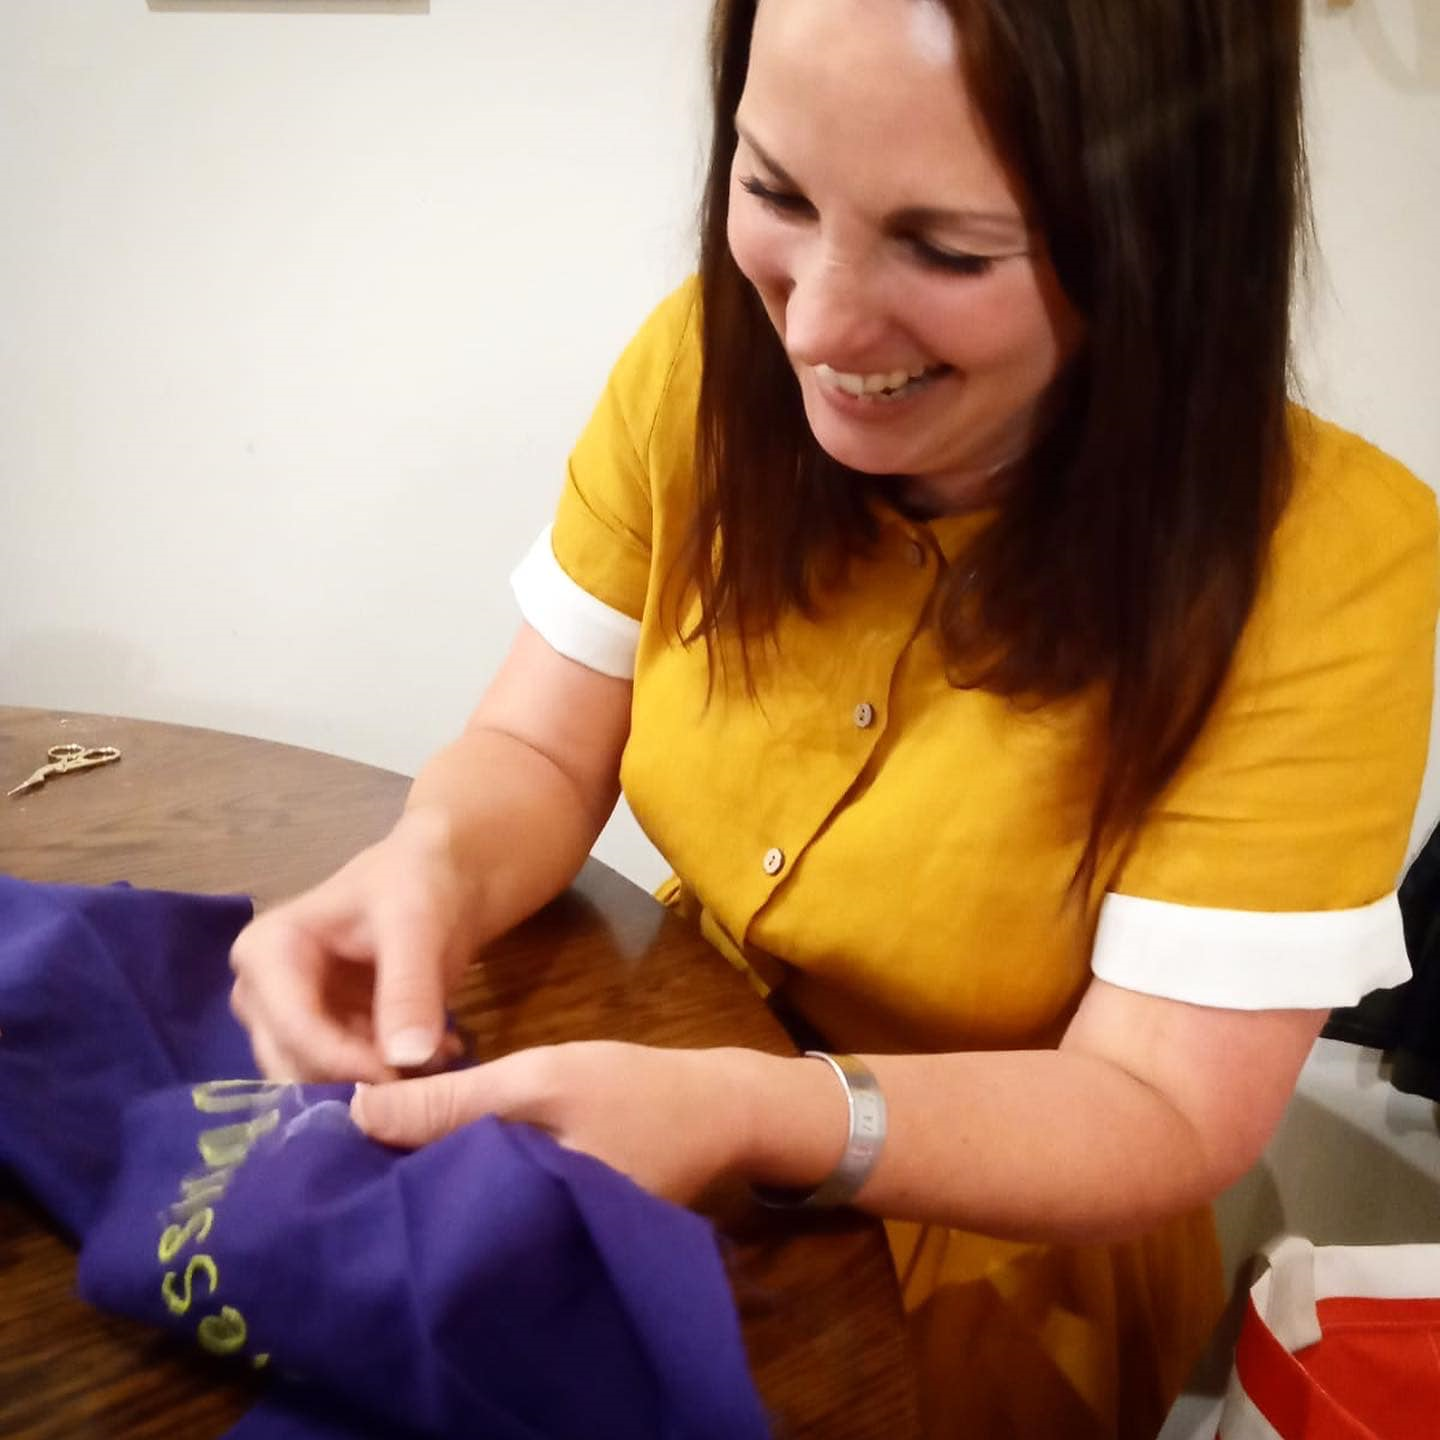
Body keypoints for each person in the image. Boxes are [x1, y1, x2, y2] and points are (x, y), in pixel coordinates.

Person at [228, 0, 1438, 1435]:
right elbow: (542, 748)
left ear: (1161, 230)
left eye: (945, 249)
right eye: (774, 191)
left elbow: (1163, 1107)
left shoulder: (1327, 565)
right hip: (648, 1093)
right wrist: (428, 865)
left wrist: (765, 1113)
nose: (813, 323)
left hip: (995, 1277)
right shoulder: (698, 362)